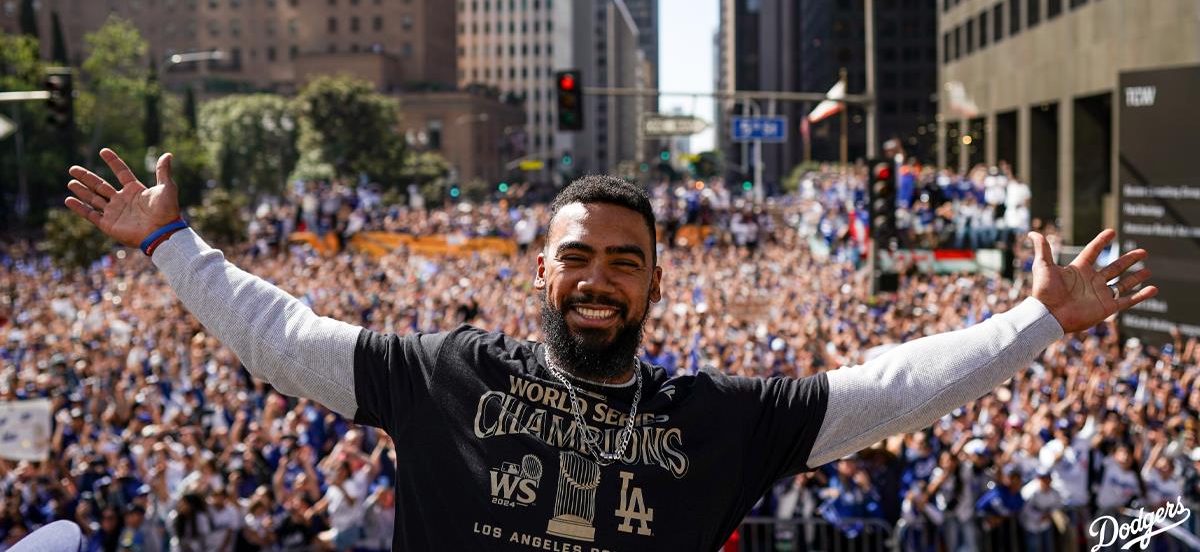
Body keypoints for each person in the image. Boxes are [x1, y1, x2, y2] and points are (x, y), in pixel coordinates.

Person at [64, 148, 1158, 551]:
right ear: (540, 272)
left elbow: (888, 390)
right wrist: (170, 241)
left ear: (653, 281)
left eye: (625, 261)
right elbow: (282, 336)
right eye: (577, 256)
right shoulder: (447, 372)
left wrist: (1037, 321)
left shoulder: (718, 415)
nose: (598, 278)